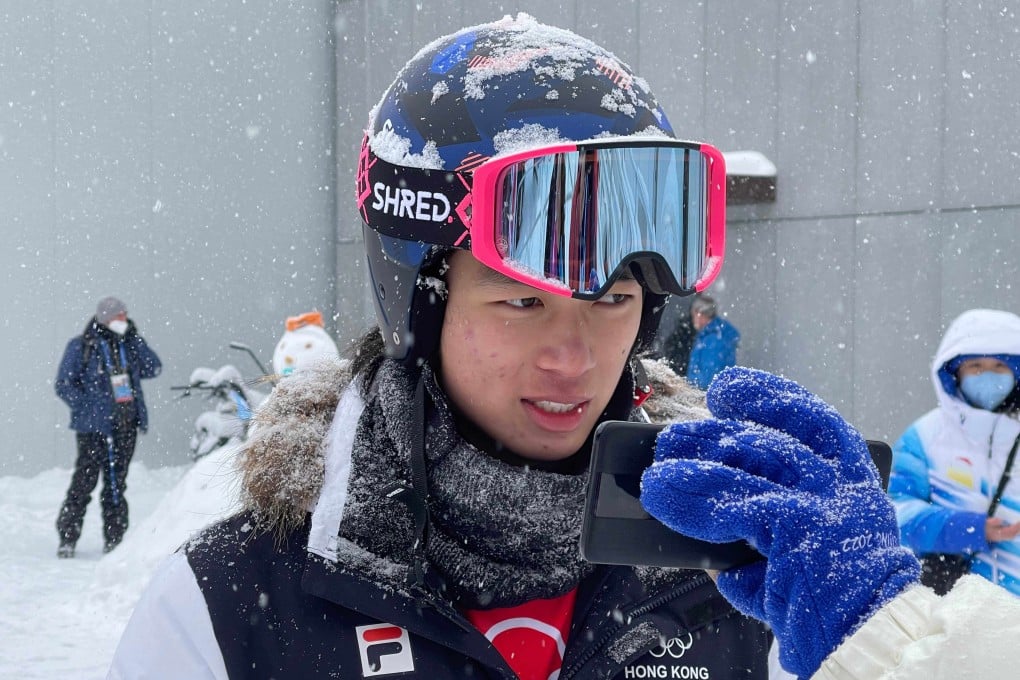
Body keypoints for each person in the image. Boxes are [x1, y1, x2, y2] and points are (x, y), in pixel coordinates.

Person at [109, 15, 1018, 680]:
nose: (574, 356)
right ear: (417, 299)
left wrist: (895, 643)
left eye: (614, 300)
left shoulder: (744, 580)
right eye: (520, 301)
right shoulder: (235, 607)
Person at [888, 308, 1020, 596]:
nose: (988, 375)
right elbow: (893, 513)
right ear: (955, 372)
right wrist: (964, 529)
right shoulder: (924, 437)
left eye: (1000, 365)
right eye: (976, 365)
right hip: (948, 608)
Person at [54, 296, 161, 557]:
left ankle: (115, 541)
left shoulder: (129, 343)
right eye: (119, 315)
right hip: (93, 429)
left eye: (125, 314)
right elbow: (64, 384)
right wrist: (88, 408)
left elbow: (154, 368)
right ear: (105, 318)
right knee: (84, 482)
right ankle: (67, 539)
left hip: (125, 426)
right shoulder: (82, 345)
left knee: (116, 485)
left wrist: (135, 339)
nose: (124, 319)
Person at [686, 294, 740, 389]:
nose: (693, 319)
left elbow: (707, 380)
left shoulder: (712, 340)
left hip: (704, 396)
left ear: (700, 314)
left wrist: (687, 386)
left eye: (693, 315)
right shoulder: (712, 335)